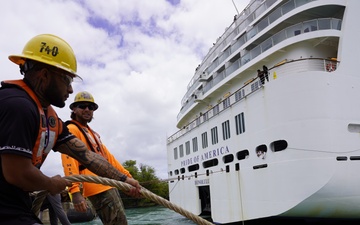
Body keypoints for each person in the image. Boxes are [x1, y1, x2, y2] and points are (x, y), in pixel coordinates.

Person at [0, 34, 141, 225]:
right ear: (44, 74)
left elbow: (87, 156)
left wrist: (125, 178)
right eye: (67, 79)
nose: (70, 90)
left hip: (16, 204)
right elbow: (17, 172)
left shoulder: (51, 121)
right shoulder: (18, 106)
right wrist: (52, 184)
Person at [61, 91, 135, 225]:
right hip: (97, 186)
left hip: (108, 184)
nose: (87, 109)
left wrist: (128, 177)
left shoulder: (91, 133)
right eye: (82, 106)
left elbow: (109, 159)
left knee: (121, 222)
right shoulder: (72, 129)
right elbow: (69, 160)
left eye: (91, 107)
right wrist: (75, 192)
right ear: (74, 109)